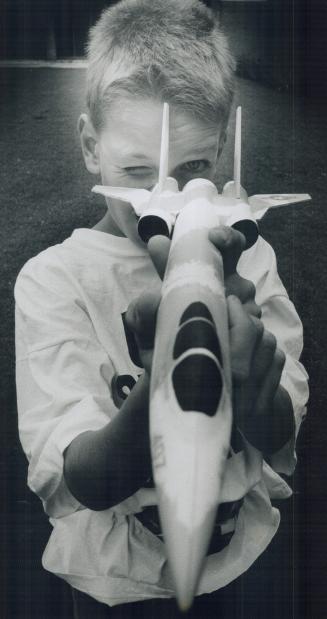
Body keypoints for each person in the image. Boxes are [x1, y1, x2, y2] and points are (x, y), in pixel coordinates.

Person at [15, 1, 308, 617]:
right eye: (138, 171)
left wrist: (254, 384)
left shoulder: (251, 263)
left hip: (240, 563)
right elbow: (85, 482)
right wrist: (166, 376)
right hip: (110, 584)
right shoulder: (52, 282)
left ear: (226, 144)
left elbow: (280, 432)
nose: (167, 201)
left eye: (194, 168)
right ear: (91, 145)